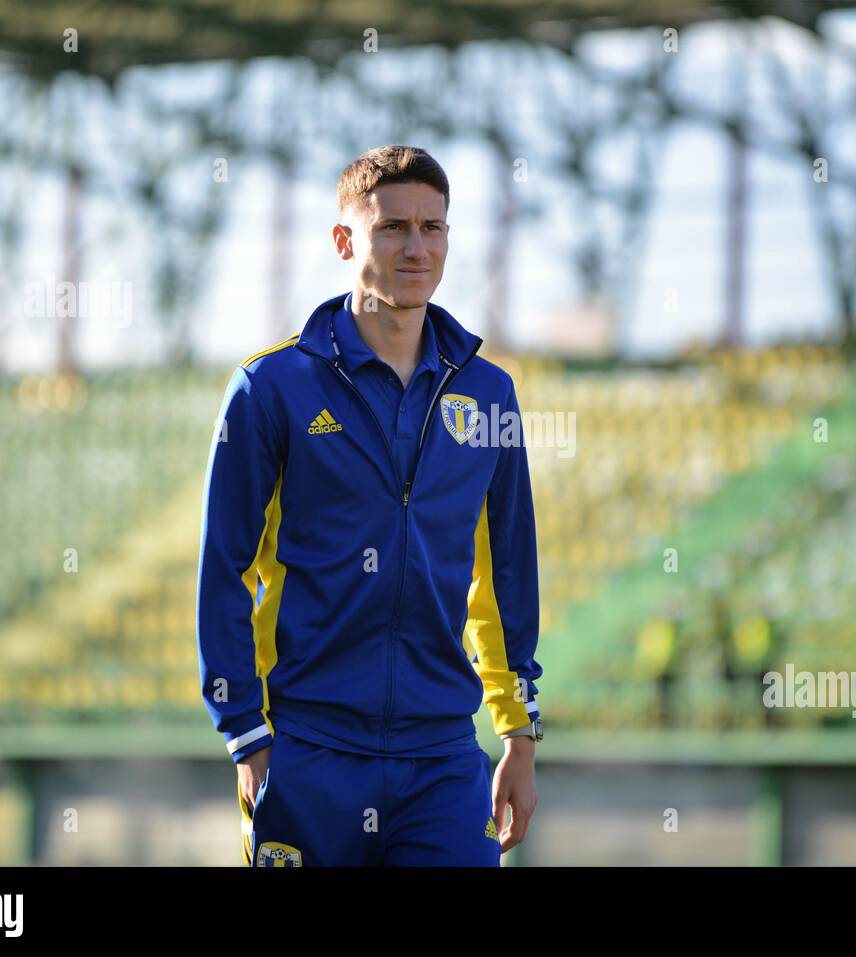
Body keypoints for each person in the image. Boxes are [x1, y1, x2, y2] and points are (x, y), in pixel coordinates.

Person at [196, 145, 543, 866]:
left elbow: (504, 573)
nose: (416, 247)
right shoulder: (270, 388)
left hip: (442, 758)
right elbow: (222, 570)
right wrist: (247, 736)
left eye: (433, 227)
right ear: (345, 240)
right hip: (309, 750)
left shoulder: (489, 395)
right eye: (392, 228)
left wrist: (517, 734)